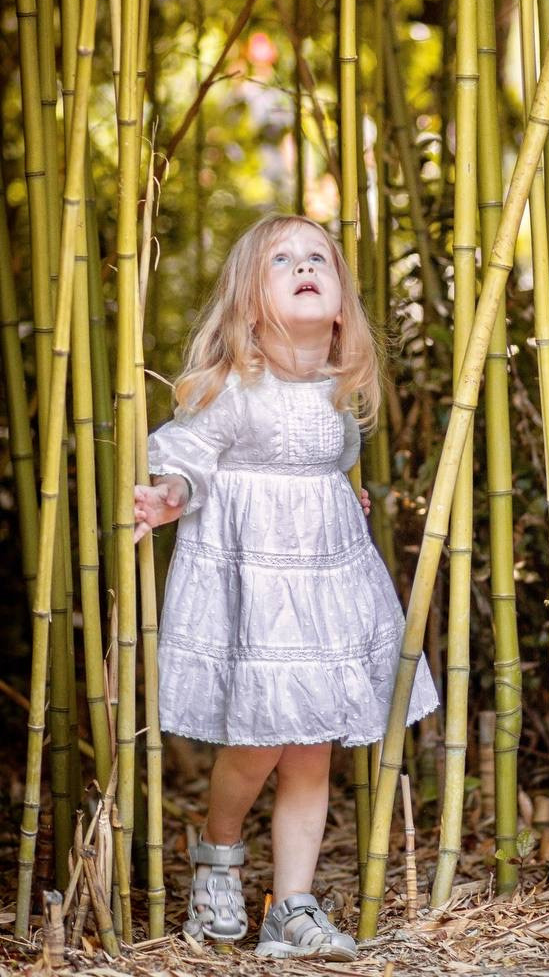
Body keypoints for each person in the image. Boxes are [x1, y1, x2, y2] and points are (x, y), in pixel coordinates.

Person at [134, 214, 439, 960]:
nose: (303, 265)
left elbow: (332, 463)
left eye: (317, 259)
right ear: (248, 305)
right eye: (281, 260)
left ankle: (292, 906)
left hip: (326, 585)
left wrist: (342, 495)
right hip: (253, 586)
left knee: (312, 748)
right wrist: (169, 494)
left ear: (339, 307)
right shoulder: (234, 387)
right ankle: (218, 852)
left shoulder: (340, 395)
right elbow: (187, 451)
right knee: (258, 741)